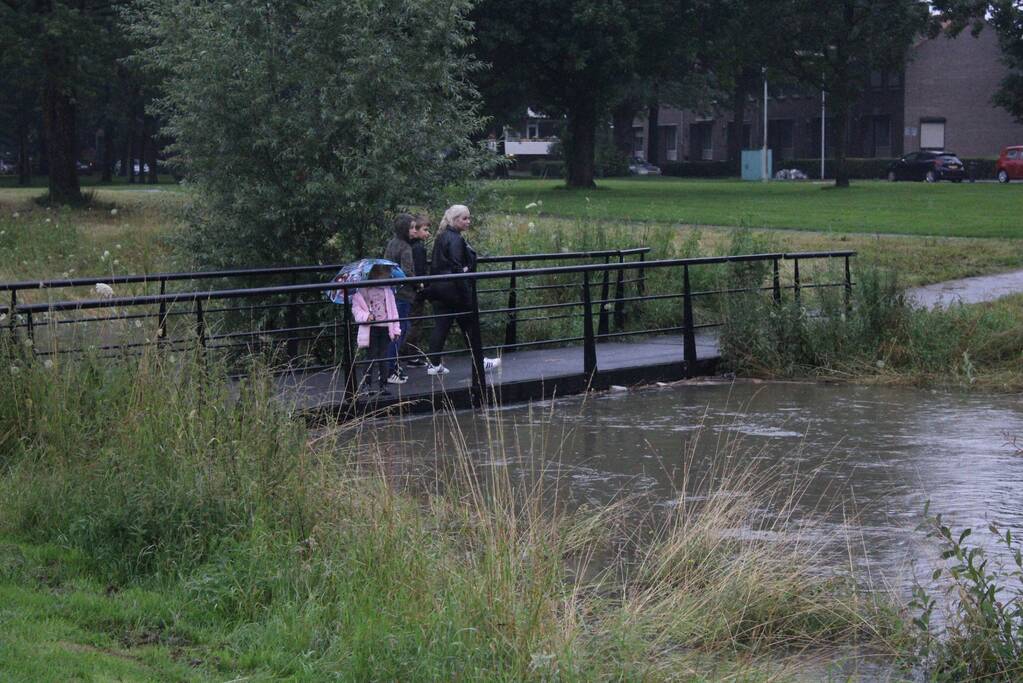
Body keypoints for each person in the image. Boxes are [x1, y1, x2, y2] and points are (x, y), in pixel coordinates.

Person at [426, 204, 500, 377]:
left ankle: (434, 364)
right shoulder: (455, 239)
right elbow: (456, 267)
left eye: (469, 218)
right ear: (454, 220)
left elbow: (445, 264)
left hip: (440, 289)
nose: (468, 221)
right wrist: (467, 296)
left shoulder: (442, 236)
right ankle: (480, 361)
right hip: (454, 292)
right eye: (464, 218)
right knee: (469, 325)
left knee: (442, 326)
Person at [351, 264, 402, 396]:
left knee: (383, 357)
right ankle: (366, 385)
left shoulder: (388, 291)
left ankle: (383, 384)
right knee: (370, 357)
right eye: (386, 275)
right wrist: (366, 316)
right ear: (376, 275)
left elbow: (393, 311)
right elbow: (356, 309)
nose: (388, 277)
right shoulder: (363, 291)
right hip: (371, 328)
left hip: (385, 327)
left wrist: (396, 329)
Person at [383, 213, 417, 384]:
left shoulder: (391, 244)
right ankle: (390, 369)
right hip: (403, 294)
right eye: (411, 227)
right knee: (399, 330)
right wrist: (419, 284)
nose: (414, 230)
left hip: (391, 292)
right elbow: (407, 271)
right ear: (405, 229)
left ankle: (391, 365)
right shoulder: (405, 248)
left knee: (399, 328)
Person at [401, 214, 432, 367]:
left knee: (409, 322)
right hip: (415, 291)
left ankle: (408, 355)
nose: (427, 233)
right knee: (415, 323)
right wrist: (422, 287)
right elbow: (419, 270)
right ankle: (411, 356)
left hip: (406, 290)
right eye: (425, 230)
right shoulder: (418, 248)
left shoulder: (406, 245)